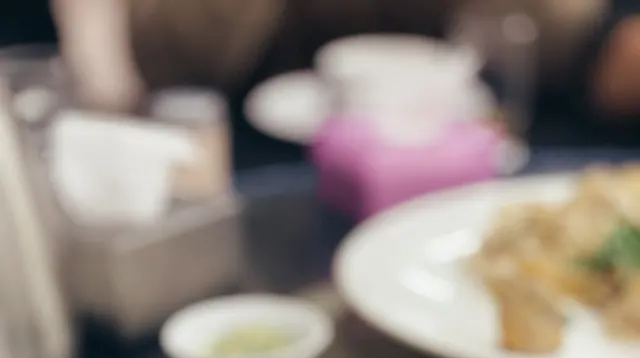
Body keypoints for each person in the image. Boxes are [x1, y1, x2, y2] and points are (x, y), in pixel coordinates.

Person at [46, 0, 640, 124]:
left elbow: (606, 49)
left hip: (478, 121)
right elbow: (105, 78)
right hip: (225, 106)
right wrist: (100, 75)